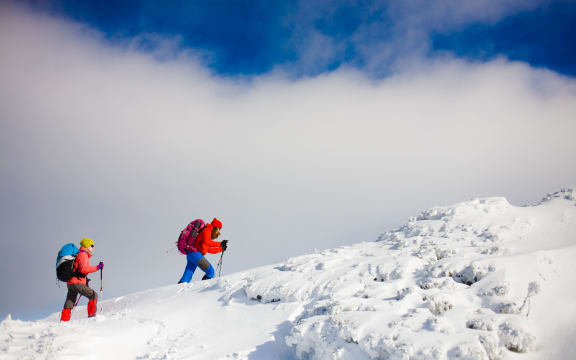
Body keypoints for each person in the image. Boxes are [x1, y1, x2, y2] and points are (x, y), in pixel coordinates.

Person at [60, 238, 104, 321]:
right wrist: (97, 267)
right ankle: (91, 316)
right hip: (76, 282)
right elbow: (84, 269)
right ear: (87, 246)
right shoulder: (83, 254)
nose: (93, 248)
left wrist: (84, 280)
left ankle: (64, 321)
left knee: (70, 301)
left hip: (71, 282)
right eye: (92, 245)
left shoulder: (80, 254)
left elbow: (80, 270)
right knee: (93, 295)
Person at [178, 218, 228, 283]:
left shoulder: (206, 233)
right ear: (216, 227)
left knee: (187, 276)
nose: (219, 231)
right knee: (210, 271)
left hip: (191, 254)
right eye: (219, 229)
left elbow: (209, 249)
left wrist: (221, 249)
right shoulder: (207, 230)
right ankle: (204, 289)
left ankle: (180, 288)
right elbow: (208, 242)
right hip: (195, 254)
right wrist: (220, 244)